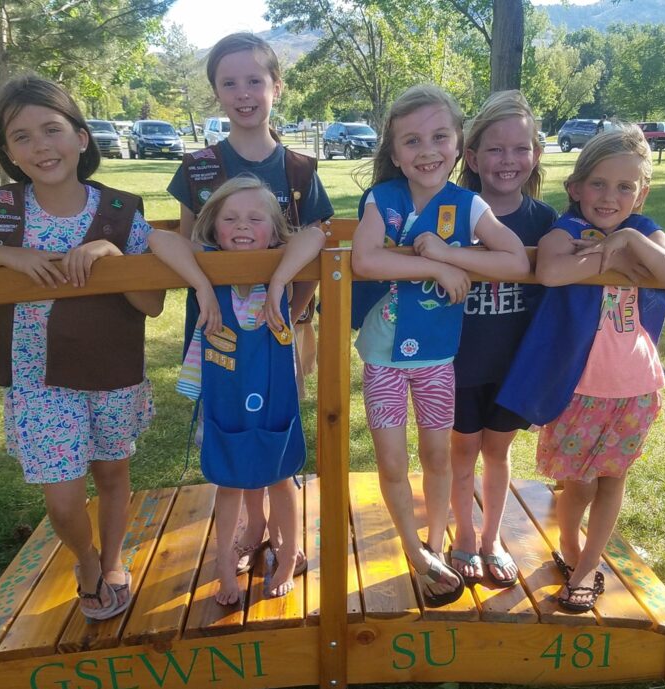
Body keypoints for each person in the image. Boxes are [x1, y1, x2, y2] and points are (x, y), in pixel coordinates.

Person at [0, 74, 164, 621]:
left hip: (111, 369)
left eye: (52, 129)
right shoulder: (0, 212)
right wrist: (5, 256)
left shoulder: (121, 214)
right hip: (38, 379)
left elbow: (151, 303)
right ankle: (87, 560)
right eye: (21, 136)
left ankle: (115, 559)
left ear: (80, 138)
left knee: (113, 474)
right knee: (63, 497)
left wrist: (108, 253)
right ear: (8, 152)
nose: (40, 146)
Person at [497, 125, 665, 612]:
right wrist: (608, 257)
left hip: (636, 386)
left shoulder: (644, 232)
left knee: (612, 479)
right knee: (578, 482)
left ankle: (587, 567)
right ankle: (569, 543)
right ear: (576, 188)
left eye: (626, 187)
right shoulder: (565, 232)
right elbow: (551, 271)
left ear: (641, 192)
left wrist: (629, 240)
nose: (611, 196)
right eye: (600, 184)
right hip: (578, 387)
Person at [351, 84, 529, 607]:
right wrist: (434, 264)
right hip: (383, 360)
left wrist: (454, 252)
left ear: (457, 145)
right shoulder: (381, 200)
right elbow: (366, 260)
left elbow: (516, 260)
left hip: (436, 364)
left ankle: (436, 549)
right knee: (390, 463)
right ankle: (415, 552)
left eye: (438, 137)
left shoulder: (467, 205)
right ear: (394, 151)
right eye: (411, 141)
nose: (426, 151)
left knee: (436, 457)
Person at [166, 32, 333, 575]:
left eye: (255, 80)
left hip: (281, 332)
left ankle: (284, 540)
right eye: (229, 82)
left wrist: (294, 304)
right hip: (219, 333)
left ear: (276, 87)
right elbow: (189, 245)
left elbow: (315, 240)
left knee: (275, 434)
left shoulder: (300, 171)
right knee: (235, 433)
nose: (243, 93)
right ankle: (252, 530)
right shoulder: (197, 168)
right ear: (216, 91)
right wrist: (199, 285)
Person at [150, 176, 324, 605]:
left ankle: (288, 555)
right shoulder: (209, 260)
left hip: (274, 398)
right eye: (229, 217)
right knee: (229, 483)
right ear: (213, 226)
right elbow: (158, 238)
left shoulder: (279, 261)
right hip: (223, 402)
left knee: (282, 480)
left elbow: (317, 234)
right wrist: (203, 285)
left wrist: (280, 280)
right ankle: (225, 563)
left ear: (273, 230)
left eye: (254, 218)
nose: (241, 225)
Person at [449, 90, 557, 588]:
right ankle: (464, 536)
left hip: (516, 365)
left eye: (520, 148)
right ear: (472, 157)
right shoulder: (450, 214)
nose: (508, 160)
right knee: (461, 451)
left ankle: (491, 537)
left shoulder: (545, 221)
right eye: (495, 149)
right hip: (456, 361)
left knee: (497, 451)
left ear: (535, 153)